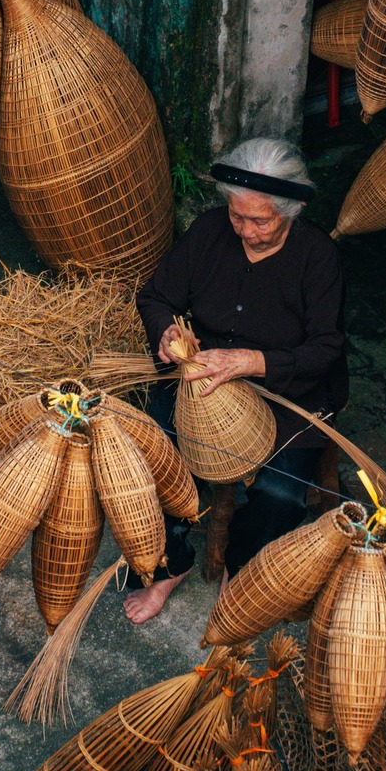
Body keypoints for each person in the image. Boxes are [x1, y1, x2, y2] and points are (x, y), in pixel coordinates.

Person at [126, 137, 347, 623]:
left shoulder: (318, 258)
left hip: (286, 391)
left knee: (281, 495)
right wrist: (166, 334)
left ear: (289, 212)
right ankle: (170, 564)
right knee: (149, 458)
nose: (246, 230)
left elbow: (326, 349)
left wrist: (251, 361)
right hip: (202, 381)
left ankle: (240, 568)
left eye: (260, 220)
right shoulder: (208, 233)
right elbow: (156, 297)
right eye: (237, 216)